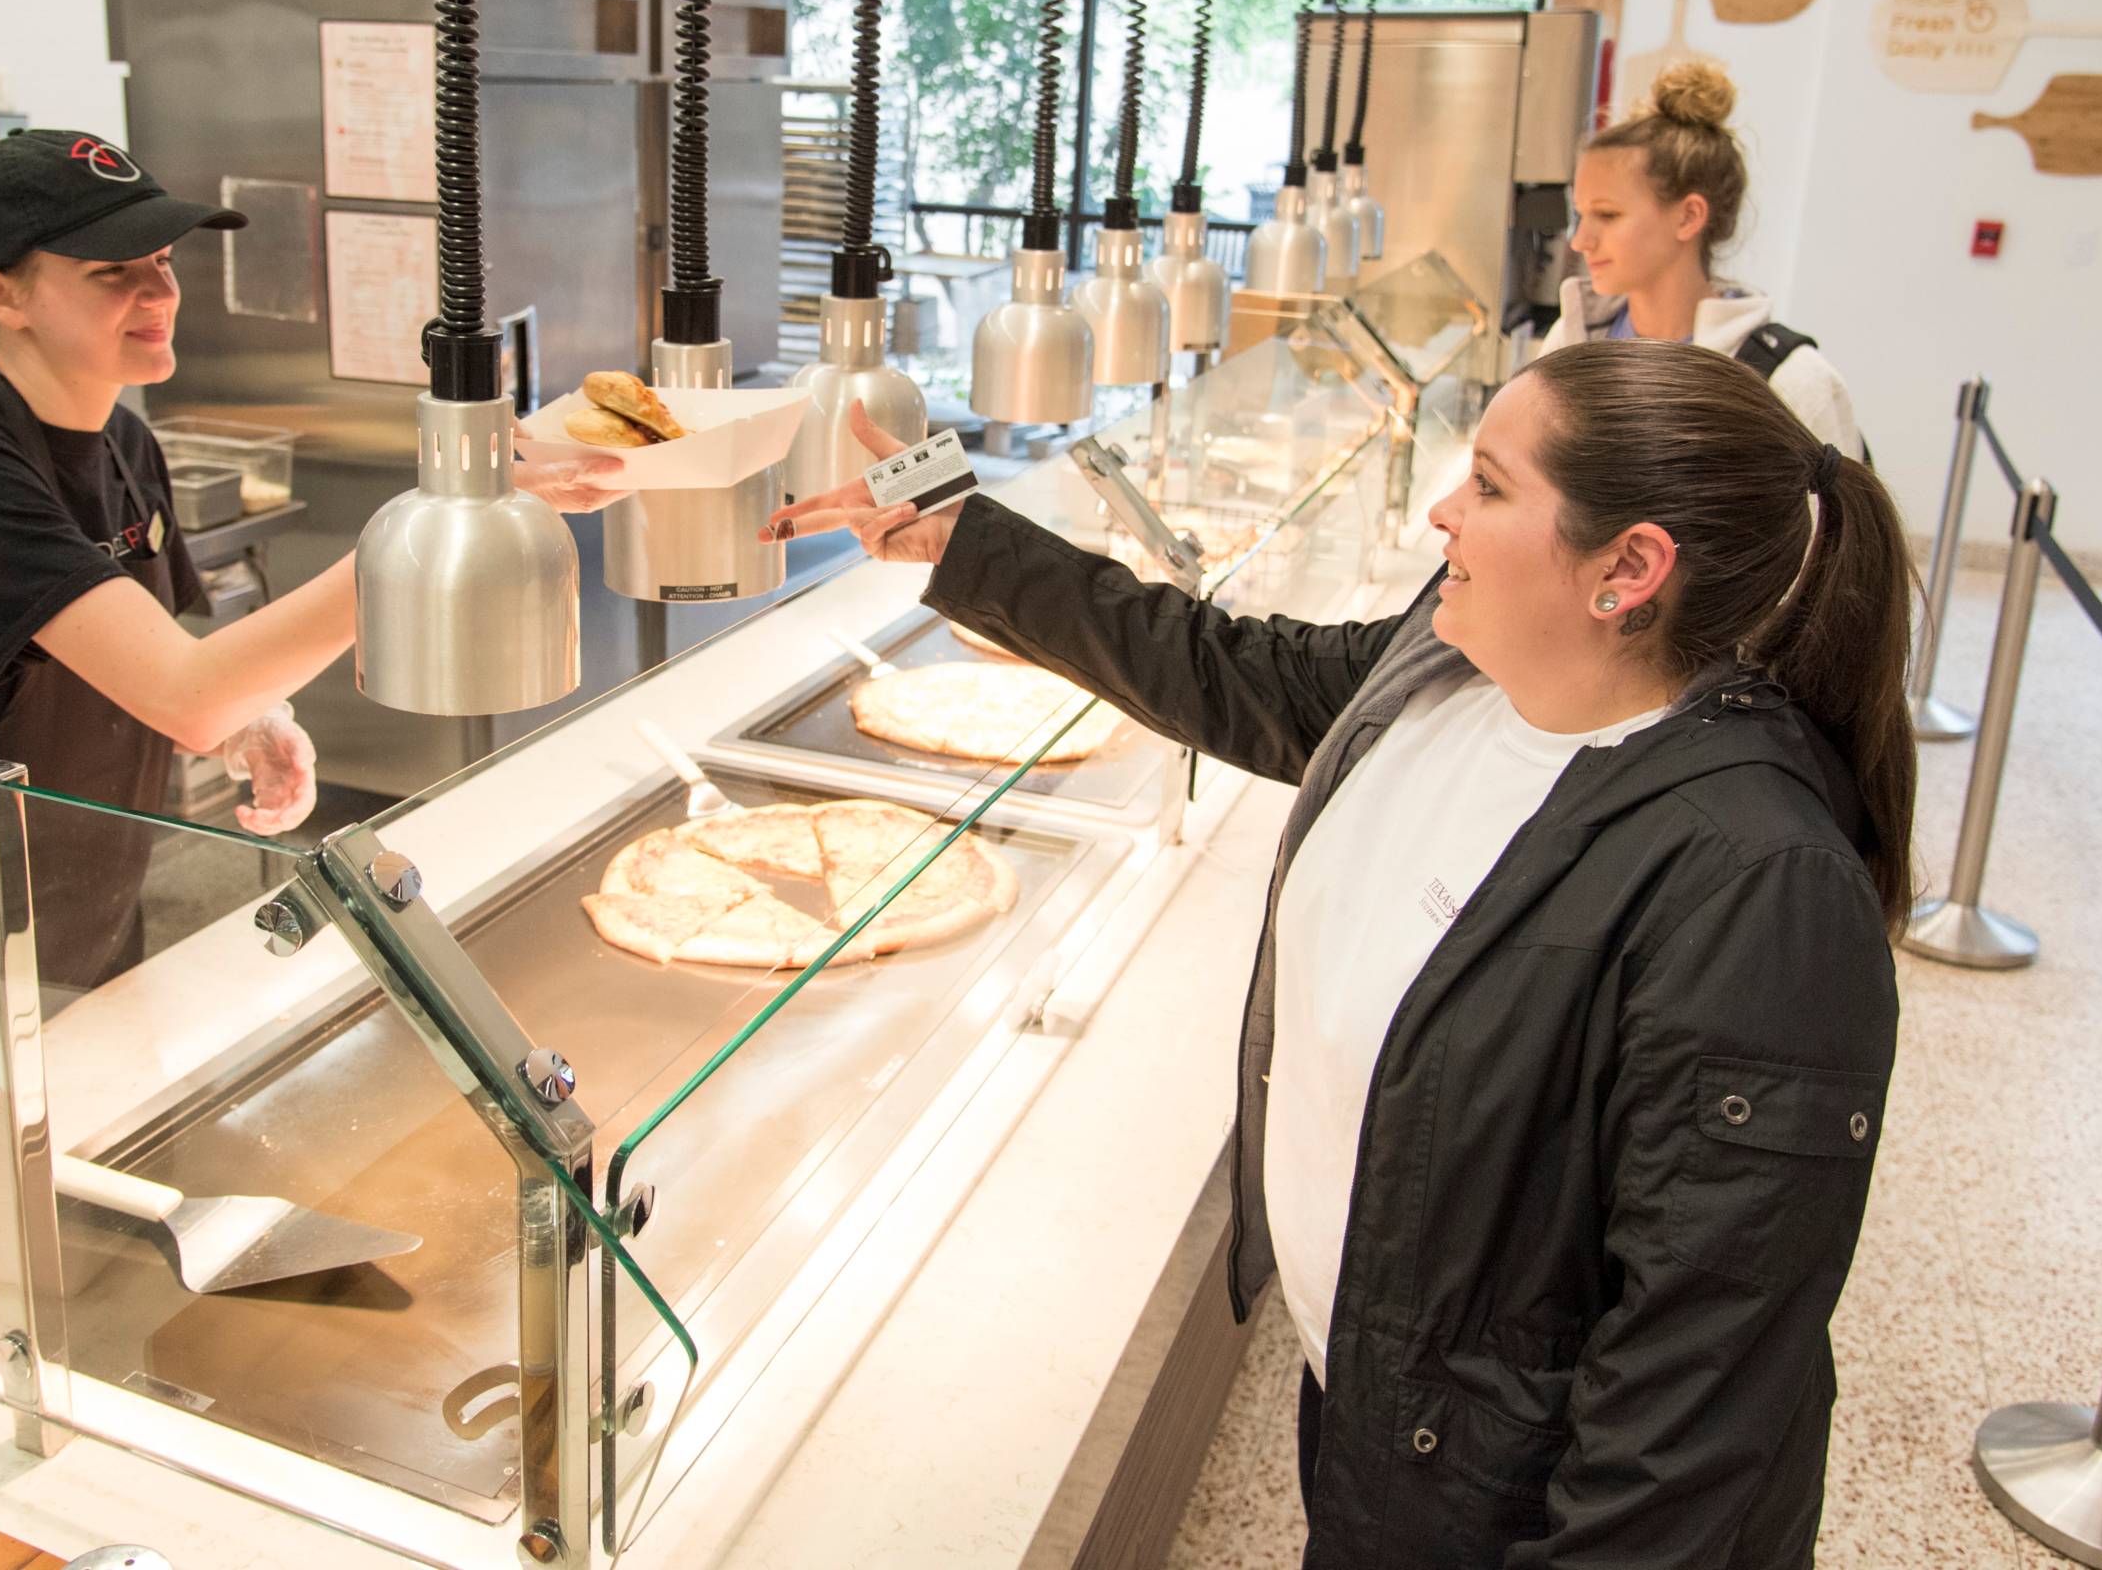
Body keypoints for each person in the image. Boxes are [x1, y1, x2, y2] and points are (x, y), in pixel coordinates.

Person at [776, 351, 1912, 1567]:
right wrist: (963, 539)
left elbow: (1693, 1403)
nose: (1441, 513)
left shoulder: (1753, 888)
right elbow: (1227, 666)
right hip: (1392, 1421)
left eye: (1485, 485)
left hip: (1506, 1508)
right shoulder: (1447, 674)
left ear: (1625, 570)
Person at [0, 128, 620, 1129]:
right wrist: (430, 516)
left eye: (162, 262)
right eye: (114, 271)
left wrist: (257, 716)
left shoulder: (121, 439)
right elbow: (185, 699)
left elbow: (152, 660)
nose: (159, 294)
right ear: (1, 295)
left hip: (95, 927)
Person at [1547, 59, 1868, 462]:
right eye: (1581, 215)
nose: (1580, 241)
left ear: (1688, 216)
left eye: (1608, 215)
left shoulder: (1790, 382)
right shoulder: (1571, 341)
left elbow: (1837, 523)